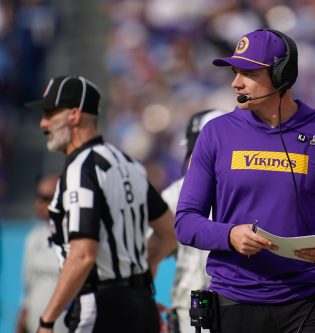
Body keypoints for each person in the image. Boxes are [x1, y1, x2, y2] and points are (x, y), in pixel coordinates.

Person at [175, 28, 315, 333]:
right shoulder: (215, 135)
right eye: (235, 71)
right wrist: (230, 235)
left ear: (281, 76)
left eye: (248, 72)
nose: (235, 82)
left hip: (308, 303)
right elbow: (185, 222)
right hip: (234, 302)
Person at [24, 75, 177, 333]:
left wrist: (46, 320)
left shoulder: (79, 169)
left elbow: (83, 254)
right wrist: (138, 282)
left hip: (99, 305)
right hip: (141, 305)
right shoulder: (130, 165)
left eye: (50, 113)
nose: (43, 123)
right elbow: (169, 233)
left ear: (74, 115)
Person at [161, 109, 226, 333]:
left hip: (233, 302)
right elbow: (158, 253)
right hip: (187, 309)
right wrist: (159, 301)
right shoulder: (174, 194)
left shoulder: (241, 188)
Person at [15, 174, 67, 333]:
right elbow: (28, 288)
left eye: (47, 198)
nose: (39, 203)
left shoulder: (76, 240)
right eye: (38, 197)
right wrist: (22, 318)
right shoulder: (34, 236)